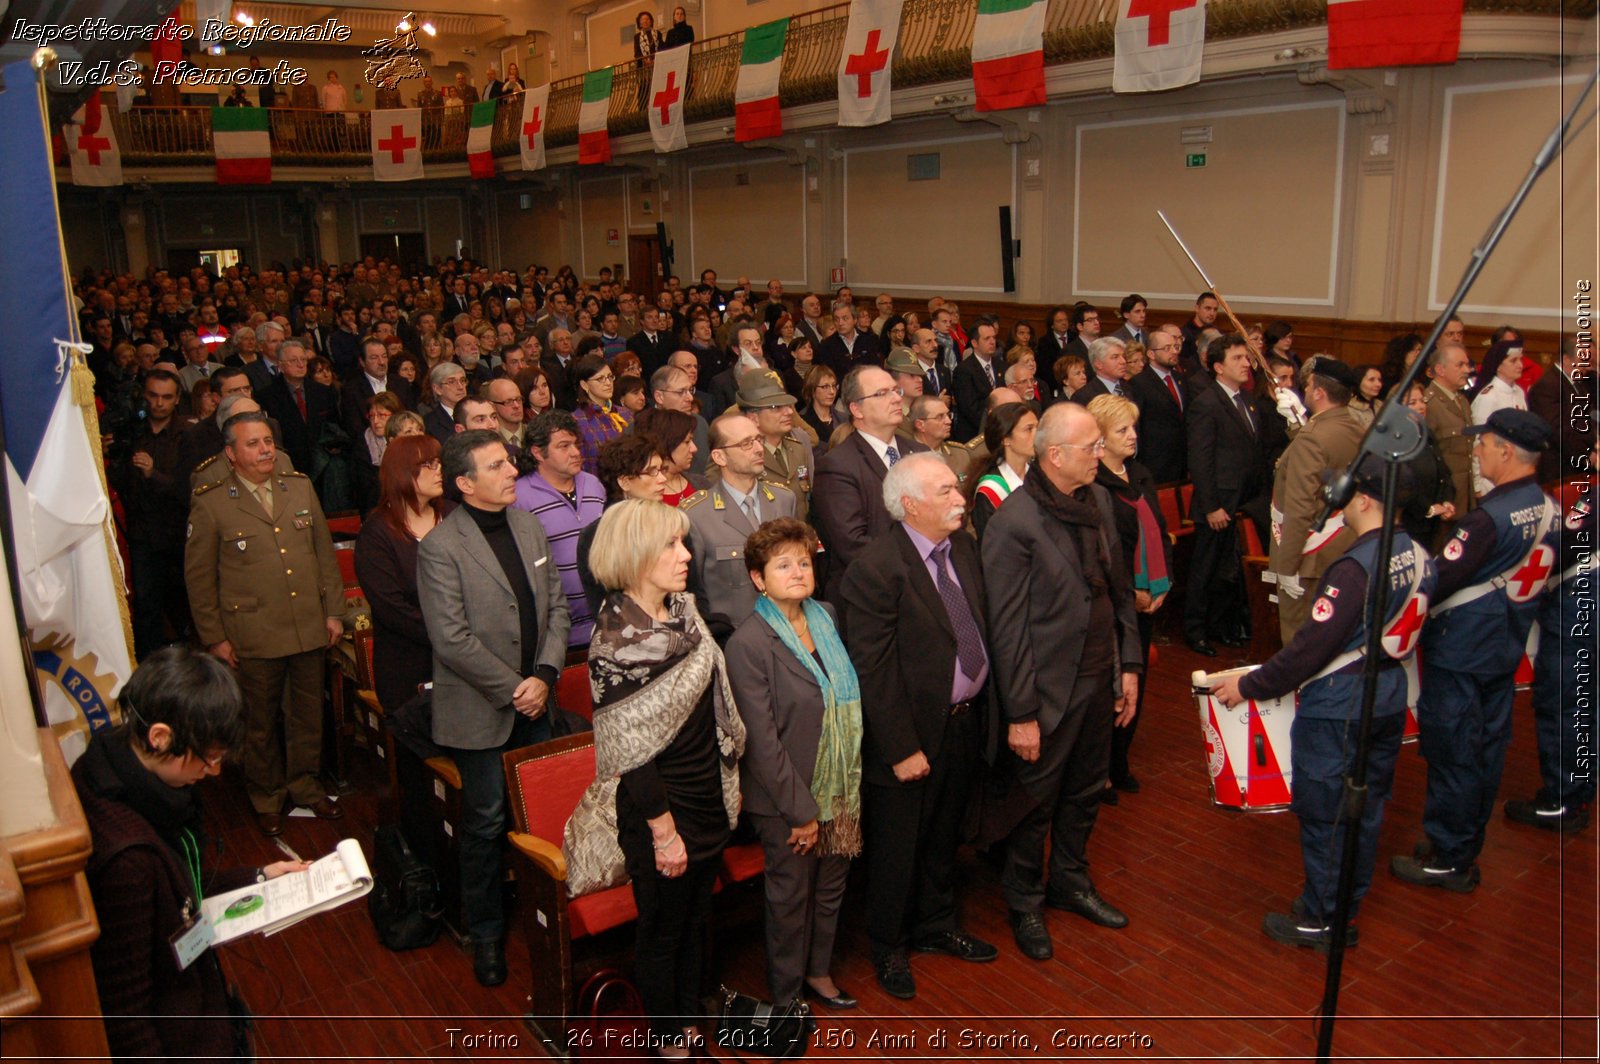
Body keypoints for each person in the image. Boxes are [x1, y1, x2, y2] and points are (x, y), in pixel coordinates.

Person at [1211, 455, 1436, 949]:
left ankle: (1324, 918)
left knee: (1326, 813)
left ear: (1364, 500)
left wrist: (1248, 686)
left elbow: (1311, 647)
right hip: (1387, 695)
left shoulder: (1353, 567)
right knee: (1366, 807)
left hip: (1340, 704)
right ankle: (1345, 902)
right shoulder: (1417, 551)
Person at [75, 647, 311, 1061]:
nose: (215, 771)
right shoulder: (127, 861)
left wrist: (259, 877)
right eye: (210, 757)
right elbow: (126, 1015)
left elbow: (177, 888)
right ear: (161, 736)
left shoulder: (119, 759)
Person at [581, 500, 746, 1057]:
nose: (685, 555)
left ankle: (688, 1017)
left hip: (706, 791)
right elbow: (631, 754)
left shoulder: (684, 612)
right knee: (663, 928)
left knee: (696, 917)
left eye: (684, 542)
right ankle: (668, 1035)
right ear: (633, 554)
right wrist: (663, 831)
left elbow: (710, 707)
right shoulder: (615, 642)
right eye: (671, 545)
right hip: (661, 807)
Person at [982, 403, 1141, 961]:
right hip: (1047, 692)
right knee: (1035, 802)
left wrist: (1130, 668)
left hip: (1100, 675)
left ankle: (1070, 881)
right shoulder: (1013, 522)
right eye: (1091, 447)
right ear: (1055, 456)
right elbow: (1006, 630)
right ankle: (1024, 901)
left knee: (1084, 791)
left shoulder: (1097, 501)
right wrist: (1021, 713)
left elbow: (1117, 593)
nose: (1102, 454)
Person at [838, 453, 999, 999]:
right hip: (908, 736)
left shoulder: (966, 550)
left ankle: (935, 926)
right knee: (897, 848)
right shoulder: (875, 568)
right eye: (947, 492)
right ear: (910, 505)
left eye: (958, 489)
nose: (960, 499)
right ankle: (888, 946)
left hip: (962, 723)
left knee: (943, 837)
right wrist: (901, 747)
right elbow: (873, 670)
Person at [417, 430, 571, 986]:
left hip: (538, 698)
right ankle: (485, 933)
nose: (512, 471)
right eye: (498, 465)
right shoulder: (440, 547)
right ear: (464, 483)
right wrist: (515, 687)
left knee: (541, 816)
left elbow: (555, 606)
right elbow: (451, 639)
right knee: (484, 824)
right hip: (484, 710)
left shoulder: (527, 523)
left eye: (509, 461)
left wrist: (546, 675)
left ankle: (546, 918)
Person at [1393, 409, 1559, 893]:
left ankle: (1451, 856)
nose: (1477, 450)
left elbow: (1440, 581)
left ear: (1507, 451)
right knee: (1485, 748)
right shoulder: (1546, 506)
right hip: (1503, 646)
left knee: (1454, 752)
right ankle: (1461, 840)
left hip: (1462, 651)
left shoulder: (1487, 519)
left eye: (1483, 443)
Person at [185, 411, 344, 836]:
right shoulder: (212, 500)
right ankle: (266, 795)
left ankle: (306, 787)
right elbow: (199, 578)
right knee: (259, 721)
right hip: (252, 632)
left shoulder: (300, 487)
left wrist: (333, 612)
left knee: (307, 715)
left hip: (307, 624)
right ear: (231, 454)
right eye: (253, 444)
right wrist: (214, 637)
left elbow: (324, 556)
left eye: (268, 441)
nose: (265, 450)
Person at [725, 518, 862, 1011]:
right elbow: (760, 741)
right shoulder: (748, 643)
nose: (798, 571)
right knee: (790, 900)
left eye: (804, 561)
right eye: (783, 564)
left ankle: (819, 973)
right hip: (785, 798)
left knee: (831, 888)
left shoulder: (826, 616)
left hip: (841, 785)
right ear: (758, 579)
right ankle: (786, 998)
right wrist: (800, 810)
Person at [1504, 433, 1597, 831]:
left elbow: (1566, 540)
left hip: (1580, 599)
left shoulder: (1590, 499)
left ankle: (1565, 798)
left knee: (1565, 700)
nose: (1591, 453)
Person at [1087, 395, 1170, 800]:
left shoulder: (1140, 474)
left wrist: (1160, 587)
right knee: (1110, 684)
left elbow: (1160, 531)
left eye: (1133, 428)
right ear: (1099, 440)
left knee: (1137, 679)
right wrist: (1131, 593)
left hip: (1149, 596)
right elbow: (1106, 551)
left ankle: (1121, 761)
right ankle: (1098, 767)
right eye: (1122, 430)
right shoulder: (1095, 484)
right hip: (1118, 599)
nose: (1132, 436)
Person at [1267, 358, 1365, 643]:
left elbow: (1300, 508)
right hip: (1342, 545)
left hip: (1308, 557)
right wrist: (1298, 424)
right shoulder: (1353, 424)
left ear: (1319, 392)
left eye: (1308, 385)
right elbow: (1327, 461)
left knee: (1301, 639)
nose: (1304, 390)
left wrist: (1287, 568)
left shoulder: (1312, 437)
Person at [1183, 334, 1269, 656]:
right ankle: (1196, 631)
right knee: (1206, 568)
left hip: (1244, 500)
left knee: (1229, 570)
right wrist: (1211, 505)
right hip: (1218, 502)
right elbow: (1201, 460)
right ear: (1218, 367)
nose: (1247, 364)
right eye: (1238, 358)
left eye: (1246, 358)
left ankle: (1222, 626)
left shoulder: (1246, 401)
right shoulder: (1206, 403)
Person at [354, 434, 450, 717]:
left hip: (466, 663)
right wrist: (452, 635)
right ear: (403, 472)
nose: (439, 471)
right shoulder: (378, 533)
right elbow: (392, 608)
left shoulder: (456, 516)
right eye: (428, 465)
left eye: (439, 463)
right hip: (409, 668)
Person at [814, 365, 928, 598]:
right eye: (882, 393)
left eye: (896, 391)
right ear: (856, 409)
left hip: (926, 588)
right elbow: (852, 544)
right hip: (873, 596)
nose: (896, 398)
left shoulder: (920, 453)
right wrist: (917, 561)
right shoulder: (837, 465)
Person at [684, 412, 798, 642]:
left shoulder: (784, 499)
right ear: (720, 457)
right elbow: (693, 593)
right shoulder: (696, 515)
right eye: (746, 443)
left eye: (758, 439)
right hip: (733, 640)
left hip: (788, 632)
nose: (758, 449)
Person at [513, 410, 606, 647]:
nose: (575, 453)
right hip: (557, 633)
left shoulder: (593, 485)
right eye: (564, 446)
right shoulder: (519, 497)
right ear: (538, 452)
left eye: (576, 444)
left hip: (606, 624)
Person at [578, 433, 669, 617]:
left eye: (662, 469)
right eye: (651, 471)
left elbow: (692, 592)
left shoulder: (670, 525)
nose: (662, 479)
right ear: (624, 482)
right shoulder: (596, 536)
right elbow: (601, 604)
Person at [1424, 341, 1476, 544]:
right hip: (1444, 500)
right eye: (1460, 365)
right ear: (1440, 369)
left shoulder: (1461, 401)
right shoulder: (1429, 404)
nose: (1468, 370)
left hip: (1464, 497)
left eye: (1468, 364)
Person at [967, 402, 1037, 540]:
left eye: (1037, 428)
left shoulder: (1038, 475)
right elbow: (992, 545)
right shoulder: (990, 490)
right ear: (1006, 439)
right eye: (1029, 429)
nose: (1037, 435)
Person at [1468, 340, 1529, 497]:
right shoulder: (1489, 397)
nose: (1520, 365)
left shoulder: (1519, 392)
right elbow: (1477, 439)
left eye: (1520, 359)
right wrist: (1477, 484)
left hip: (1515, 472)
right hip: (1491, 479)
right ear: (1498, 365)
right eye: (1513, 361)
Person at [570, 353, 632, 477]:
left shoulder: (625, 413)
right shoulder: (576, 420)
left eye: (610, 377)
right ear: (584, 385)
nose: (608, 383)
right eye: (600, 379)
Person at [635, 406, 706, 507]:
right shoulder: (640, 496)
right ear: (665, 444)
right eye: (687, 442)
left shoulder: (703, 484)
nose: (694, 449)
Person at [799, 365, 840, 449]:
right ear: (812, 390)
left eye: (834, 386)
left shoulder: (843, 418)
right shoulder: (802, 421)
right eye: (825, 387)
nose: (832, 392)